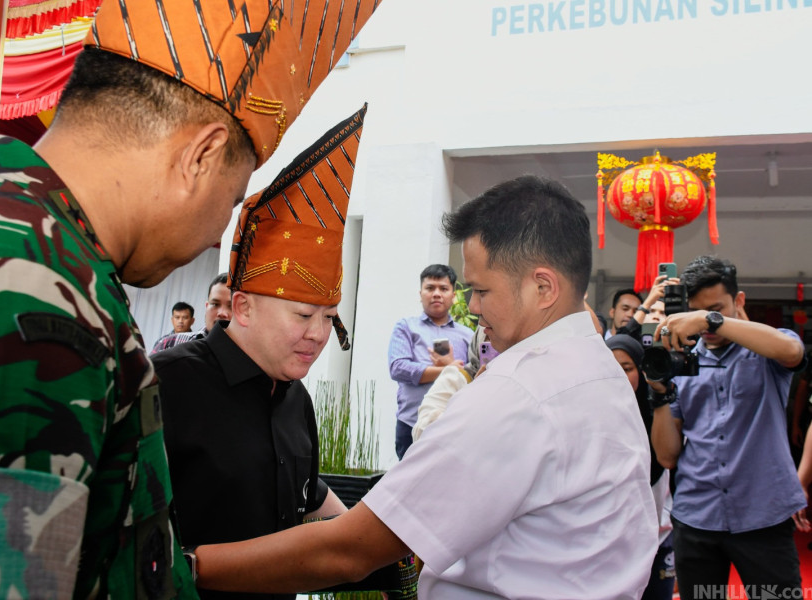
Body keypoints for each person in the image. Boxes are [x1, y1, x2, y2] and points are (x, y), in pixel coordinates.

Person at [0, 0, 383, 596]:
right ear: (200, 157)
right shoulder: (23, 294)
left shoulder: (36, 260)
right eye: (231, 197)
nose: (218, 234)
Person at [190, 175, 658, 599]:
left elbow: (349, 551)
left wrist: (188, 566)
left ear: (542, 287)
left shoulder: (519, 393)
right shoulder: (599, 368)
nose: (470, 307)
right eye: (302, 315)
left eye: (480, 290)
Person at [152, 107, 366, 600]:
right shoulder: (166, 384)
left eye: (329, 317)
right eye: (302, 315)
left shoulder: (296, 398)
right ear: (242, 308)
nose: (317, 334)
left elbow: (307, 496)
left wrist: (366, 541)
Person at [650, 255, 808, 600]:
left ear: (739, 301)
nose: (704, 326)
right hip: (697, 516)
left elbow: (792, 350)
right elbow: (667, 456)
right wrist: (660, 394)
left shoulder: (765, 350)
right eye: (697, 313)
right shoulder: (683, 361)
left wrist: (712, 319)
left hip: (763, 516)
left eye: (716, 309)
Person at [606, 335, 675, 600]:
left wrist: (660, 397)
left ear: (641, 369)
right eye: (611, 368)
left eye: (626, 368)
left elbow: (666, 459)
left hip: (656, 538)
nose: (619, 377)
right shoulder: (588, 413)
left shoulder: (656, 408)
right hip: (608, 543)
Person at [388, 264, 474, 458]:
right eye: (430, 288)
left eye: (443, 289)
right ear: (420, 293)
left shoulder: (468, 335)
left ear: (453, 295)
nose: (436, 294)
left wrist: (452, 368)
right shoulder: (406, 327)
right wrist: (448, 370)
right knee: (409, 484)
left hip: (454, 424)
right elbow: (398, 367)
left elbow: (475, 376)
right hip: (410, 422)